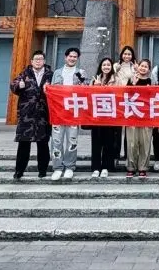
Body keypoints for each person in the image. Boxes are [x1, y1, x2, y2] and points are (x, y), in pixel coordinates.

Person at [10, 50, 53, 180]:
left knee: (43, 144)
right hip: (26, 115)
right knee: (23, 144)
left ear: (44, 61)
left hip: (43, 115)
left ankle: (42, 170)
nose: (38, 61)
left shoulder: (50, 75)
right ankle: (19, 170)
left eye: (41, 59)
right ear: (32, 61)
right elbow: (13, 85)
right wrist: (19, 85)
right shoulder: (25, 74)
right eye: (36, 59)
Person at [50, 47, 87, 181]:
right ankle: (57, 167)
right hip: (58, 111)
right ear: (65, 57)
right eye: (70, 56)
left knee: (72, 140)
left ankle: (70, 166)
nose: (72, 58)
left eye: (75, 57)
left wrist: (83, 81)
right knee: (56, 140)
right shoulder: (57, 73)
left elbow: (86, 91)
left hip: (73, 111)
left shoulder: (81, 72)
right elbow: (52, 90)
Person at [125, 59, 153, 178]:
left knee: (145, 143)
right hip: (132, 115)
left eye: (146, 67)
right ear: (138, 67)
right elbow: (126, 94)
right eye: (141, 66)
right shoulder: (131, 79)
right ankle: (131, 167)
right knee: (132, 143)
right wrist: (133, 83)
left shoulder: (151, 81)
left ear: (149, 69)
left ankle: (143, 167)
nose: (143, 68)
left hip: (146, 116)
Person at [89, 57, 117, 178]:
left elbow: (119, 94)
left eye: (108, 65)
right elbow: (88, 96)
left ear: (111, 67)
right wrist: (95, 87)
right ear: (101, 66)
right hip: (96, 115)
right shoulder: (95, 79)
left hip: (110, 115)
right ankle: (96, 167)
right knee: (96, 142)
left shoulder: (116, 79)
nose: (106, 67)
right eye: (104, 65)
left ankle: (106, 167)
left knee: (108, 142)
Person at [113, 45, 137, 165]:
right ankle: (115, 155)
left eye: (129, 54)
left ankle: (129, 156)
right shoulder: (116, 66)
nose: (127, 56)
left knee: (130, 130)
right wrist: (115, 70)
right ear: (122, 55)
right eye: (125, 54)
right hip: (117, 99)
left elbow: (135, 82)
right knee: (117, 130)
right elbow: (112, 78)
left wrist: (136, 71)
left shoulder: (134, 67)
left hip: (130, 100)